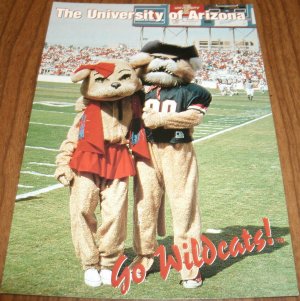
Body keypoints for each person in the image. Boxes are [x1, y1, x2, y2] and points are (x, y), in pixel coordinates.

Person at [130, 40, 212, 288]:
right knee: (144, 206)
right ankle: (144, 257)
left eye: (171, 59)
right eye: (157, 58)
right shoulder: (140, 86)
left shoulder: (194, 90)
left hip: (178, 151)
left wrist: (160, 119)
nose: (163, 64)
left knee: (184, 207)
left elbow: (193, 116)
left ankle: (190, 267)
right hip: (146, 151)